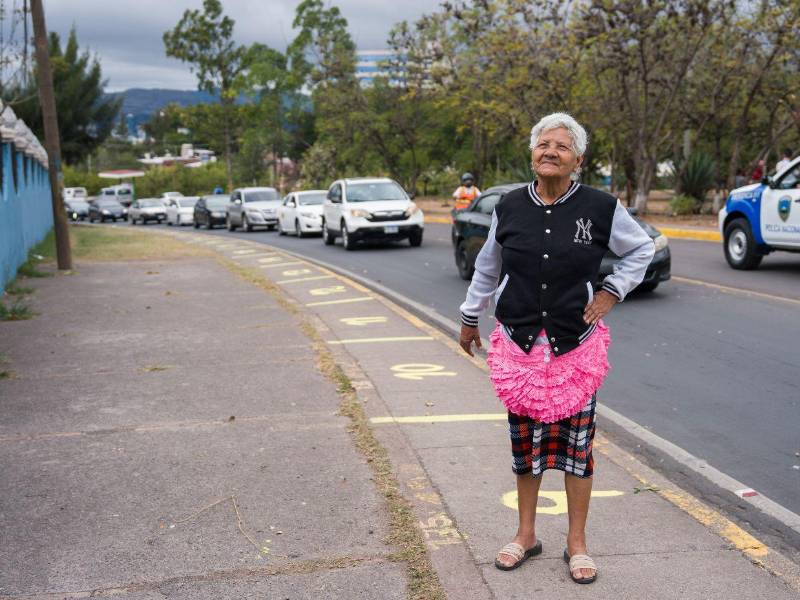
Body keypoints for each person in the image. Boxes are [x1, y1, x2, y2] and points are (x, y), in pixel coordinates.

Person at [458, 113, 654, 585]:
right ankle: (525, 535)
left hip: (573, 350)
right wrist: (469, 316)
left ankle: (577, 543)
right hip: (520, 348)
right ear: (532, 153)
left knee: (576, 449)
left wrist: (612, 291)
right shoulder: (508, 206)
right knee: (525, 448)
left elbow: (642, 250)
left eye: (561, 147)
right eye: (543, 144)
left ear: (578, 160)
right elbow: (488, 267)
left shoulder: (601, 207)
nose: (550, 151)